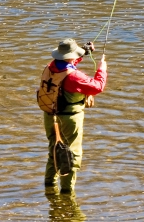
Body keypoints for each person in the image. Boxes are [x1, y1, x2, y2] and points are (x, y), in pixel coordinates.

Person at [43, 38, 107, 193]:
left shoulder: (50, 66)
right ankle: (67, 193)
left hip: (50, 116)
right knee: (71, 155)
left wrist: (84, 51)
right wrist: (102, 69)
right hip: (69, 119)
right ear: (71, 56)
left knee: (54, 150)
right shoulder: (75, 77)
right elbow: (97, 87)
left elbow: (68, 66)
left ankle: (49, 185)